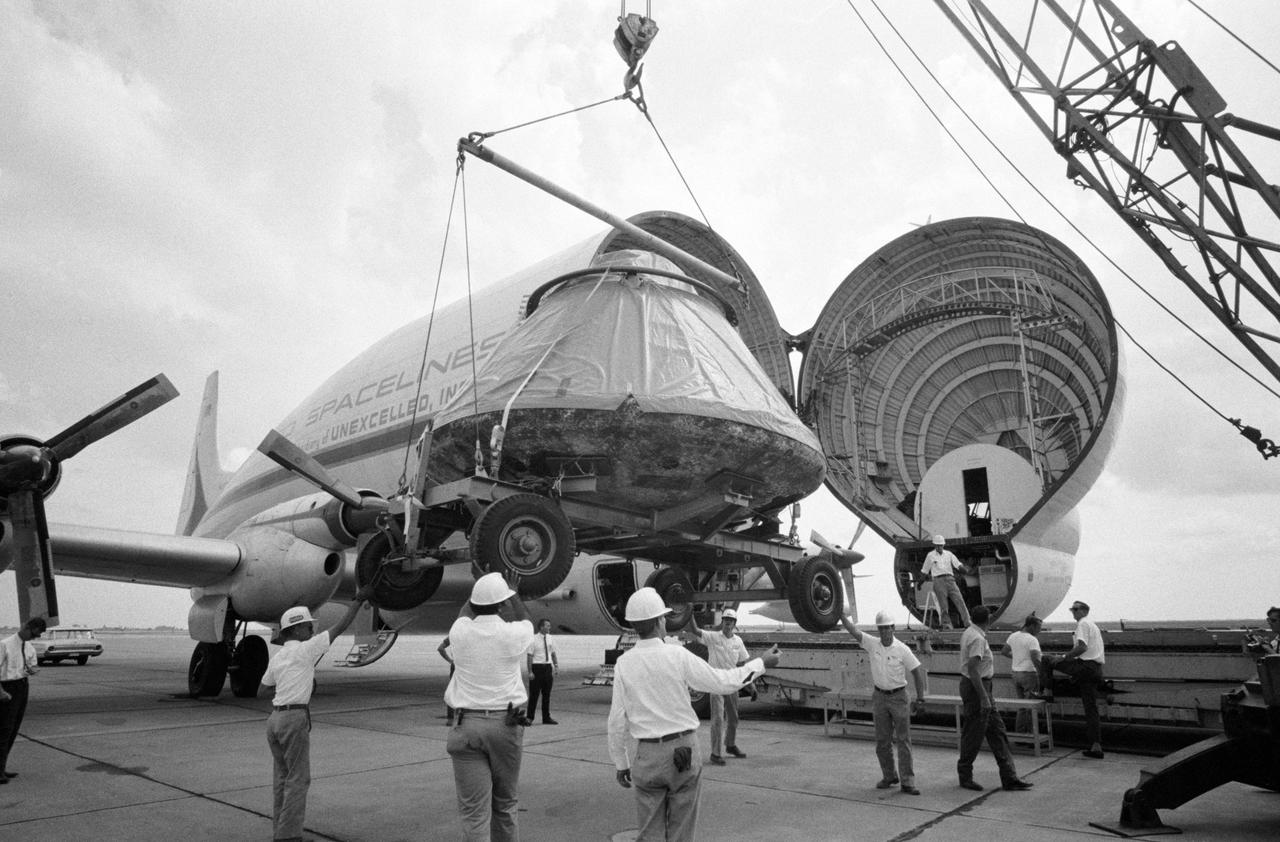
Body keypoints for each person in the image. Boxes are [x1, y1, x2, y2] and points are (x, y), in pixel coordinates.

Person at [607, 588, 780, 842]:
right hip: (682, 754)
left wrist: (621, 762)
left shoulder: (624, 662)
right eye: (664, 617)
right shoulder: (677, 655)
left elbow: (615, 720)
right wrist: (761, 663)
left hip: (647, 756)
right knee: (681, 831)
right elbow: (723, 682)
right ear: (658, 622)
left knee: (650, 835)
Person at [261, 588, 371, 842]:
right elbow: (340, 626)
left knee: (281, 778)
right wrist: (357, 601)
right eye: (308, 627)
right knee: (299, 779)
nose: (312, 630)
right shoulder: (307, 649)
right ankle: (289, 837)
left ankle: (280, 830)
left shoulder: (279, 657)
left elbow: (262, 687)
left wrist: (295, 683)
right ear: (297, 630)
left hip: (274, 720)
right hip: (293, 720)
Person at [444, 572, 535, 842]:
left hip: (466, 727)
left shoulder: (459, 632)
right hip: (504, 726)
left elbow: (464, 612)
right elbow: (527, 620)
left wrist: (479, 584)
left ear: (473, 603)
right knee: (506, 805)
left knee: (474, 814)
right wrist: (515, 592)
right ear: (502, 603)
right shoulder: (512, 634)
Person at [838, 603, 927, 796]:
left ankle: (908, 781)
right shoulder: (872, 644)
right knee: (882, 741)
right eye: (882, 628)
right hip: (879, 697)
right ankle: (889, 776)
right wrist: (841, 615)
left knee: (904, 740)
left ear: (893, 628)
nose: (885, 631)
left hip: (899, 697)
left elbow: (917, 672)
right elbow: (854, 632)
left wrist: (920, 699)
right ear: (878, 630)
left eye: (888, 627)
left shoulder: (902, 649)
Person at [957, 605, 1033, 792]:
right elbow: (973, 670)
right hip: (978, 689)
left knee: (997, 732)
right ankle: (965, 776)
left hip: (981, 688)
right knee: (973, 734)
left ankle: (1009, 777)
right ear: (988, 619)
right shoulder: (976, 638)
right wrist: (984, 698)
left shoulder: (971, 632)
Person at [685, 607, 751, 765]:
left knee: (734, 718)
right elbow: (694, 630)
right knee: (717, 719)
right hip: (716, 683)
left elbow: (742, 663)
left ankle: (730, 745)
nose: (728, 624)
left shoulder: (738, 642)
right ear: (722, 622)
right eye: (726, 621)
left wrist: (750, 683)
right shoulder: (713, 637)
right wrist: (689, 612)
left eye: (731, 621)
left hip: (732, 682)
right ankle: (715, 753)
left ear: (735, 624)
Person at [1041, 599, 1105, 759]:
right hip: (1095, 670)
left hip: (1085, 667)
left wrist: (1063, 657)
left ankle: (1047, 691)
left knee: (1047, 660)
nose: (1073, 612)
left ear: (1084, 610)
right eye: (1072, 609)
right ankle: (1096, 746)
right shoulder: (1093, 626)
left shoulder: (1083, 624)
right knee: (1091, 708)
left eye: (1076, 609)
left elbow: (1082, 647)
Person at [0, 617, 47, 784]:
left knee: (13, 728)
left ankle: (2, 767)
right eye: (34, 634)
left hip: (22, 687)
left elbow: (31, 666)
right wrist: (1, 692)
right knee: (4, 729)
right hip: (7, 688)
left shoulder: (29, 647)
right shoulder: (4, 644)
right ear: (27, 628)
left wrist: (31, 670)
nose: (35, 638)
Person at [1001, 615, 1044, 734]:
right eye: (1038, 628)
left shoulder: (1013, 636)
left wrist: (1018, 657)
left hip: (1016, 674)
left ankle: (1020, 734)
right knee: (1031, 707)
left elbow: (1004, 651)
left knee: (1022, 706)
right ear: (1031, 626)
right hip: (1029, 674)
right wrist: (1041, 672)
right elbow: (1035, 658)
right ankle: (1031, 736)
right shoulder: (1032, 639)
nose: (1039, 631)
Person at [920, 535, 971, 629]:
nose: (939, 547)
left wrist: (965, 570)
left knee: (960, 601)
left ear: (943, 545)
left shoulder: (949, 554)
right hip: (938, 580)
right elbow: (924, 571)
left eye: (941, 545)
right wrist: (920, 583)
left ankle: (968, 623)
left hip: (950, 579)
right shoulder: (930, 555)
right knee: (943, 605)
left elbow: (958, 565)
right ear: (934, 545)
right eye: (937, 545)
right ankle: (946, 625)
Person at [526, 619, 559, 725]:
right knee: (534, 694)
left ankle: (546, 717)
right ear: (541, 627)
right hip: (537, 668)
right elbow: (530, 656)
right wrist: (530, 671)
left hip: (547, 668)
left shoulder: (550, 638)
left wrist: (556, 665)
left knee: (546, 694)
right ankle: (529, 717)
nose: (549, 628)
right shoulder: (533, 639)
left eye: (549, 626)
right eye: (547, 626)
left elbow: (553, 653)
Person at [438, 635, 456, 725]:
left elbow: (440, 648)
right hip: (466, 665)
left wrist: (450, 660)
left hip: (455, 664)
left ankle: (451, 718)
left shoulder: (453, 635)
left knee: (452, 690)